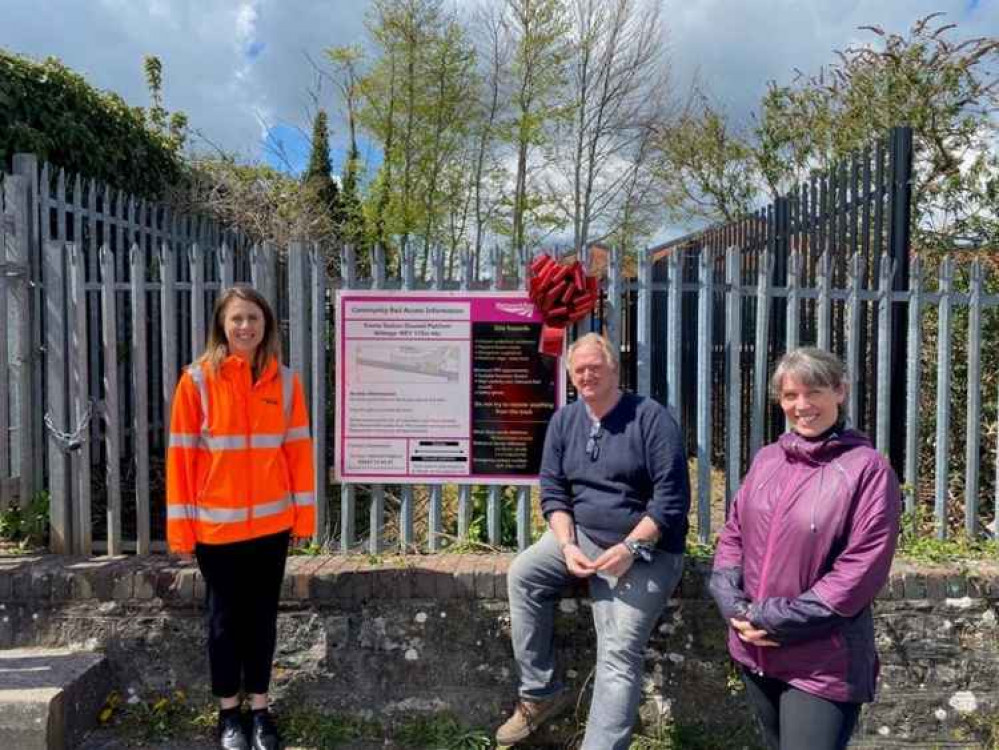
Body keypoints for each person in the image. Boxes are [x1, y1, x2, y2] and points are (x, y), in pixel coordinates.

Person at [496, 333, 690, 749]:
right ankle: (540, 692)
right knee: (523, 575)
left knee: (618, 650)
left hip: (647, 548)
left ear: (614, 370)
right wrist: (567, 545)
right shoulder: (565, 421)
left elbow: (671, 500)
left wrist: (631, 548)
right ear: (569, 375)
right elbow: (553, 491)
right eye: (579, 369)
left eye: (595, 367)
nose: (587, 375)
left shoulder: (651, 418)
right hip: (581, 535)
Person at [710, 347, 901, 750]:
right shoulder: (766, 460)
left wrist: (770, 617)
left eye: (813, 392)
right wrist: (734, 605)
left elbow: (858, 573)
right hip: (756, 652)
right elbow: (733, 536)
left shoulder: (868, 469)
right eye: (790, 395)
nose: (802, 406)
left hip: (822, 661)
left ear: (840, 391)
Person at [166, 286, 315, 750]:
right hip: (218, 529)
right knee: (224, 622)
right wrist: (181, 529)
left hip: (271, 529)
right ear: (222, 326)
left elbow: (298, 455)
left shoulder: (287, 383)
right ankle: (229, 714)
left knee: (262, 621)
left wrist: (303, 519)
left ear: (266, 324)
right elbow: (181, 459)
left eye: (253, 318)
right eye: (237, 319)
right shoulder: (196, 381)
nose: (245, 327)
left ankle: (260, 709)